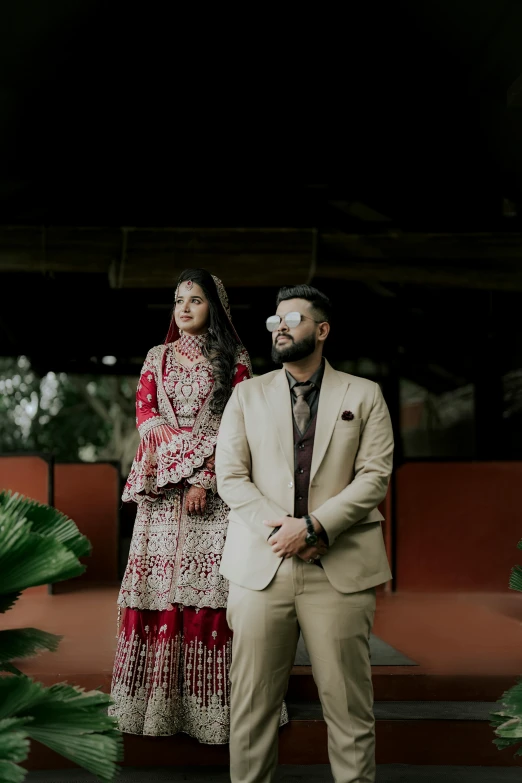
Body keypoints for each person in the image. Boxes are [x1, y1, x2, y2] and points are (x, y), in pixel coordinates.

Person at [216, 284, 394, 783]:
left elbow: (375, 476)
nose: (280, 328)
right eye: (275, 321)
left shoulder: (365, 394)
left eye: (292, 319)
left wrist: (315, 526)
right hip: (261, 568)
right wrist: (283, 529)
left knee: (350, 711)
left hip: (338, 569)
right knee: (250, 712)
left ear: (322, 330)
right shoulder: (246, 395)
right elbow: (230, 475)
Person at [109, 268, 254, 743]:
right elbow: (147, 418)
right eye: (177, 300)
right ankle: (151, 708)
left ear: (215, 306)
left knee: (208, 594)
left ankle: (211, 711)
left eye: (195, 299)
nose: (184, 307)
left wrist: (204, 476)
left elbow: (237, 425)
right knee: (157, 591)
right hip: (161, 497)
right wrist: (181, 464)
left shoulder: (236, 358)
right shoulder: (158, 356)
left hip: (213, 500)